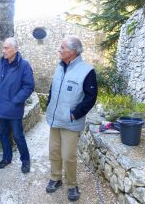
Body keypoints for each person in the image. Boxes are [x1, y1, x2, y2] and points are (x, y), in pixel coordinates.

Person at [45, 35, 98, 201]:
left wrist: (75, 114)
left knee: (68, 156)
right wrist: (48, 105)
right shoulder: (59, 67)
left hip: (71, 121)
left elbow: (91, 97)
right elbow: (53, 89)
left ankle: (72, 185)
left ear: (73, 51)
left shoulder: (87, 71)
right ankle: (55, 178)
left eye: (62, 48)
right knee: (54, 151)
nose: (59, 50)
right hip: (55, 119)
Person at [0, 37, 35, 174]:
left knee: (18, 135)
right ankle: (6, 158)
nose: (3, 50)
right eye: (3, 47)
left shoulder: (24, 65)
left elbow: (29, 86)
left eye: (6, 48)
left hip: (14, 108)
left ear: (15, 49)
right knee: (3, 134)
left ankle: (25, 160)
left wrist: (16, 100)